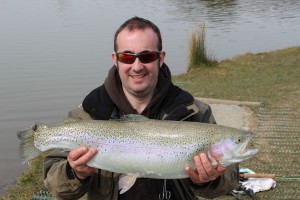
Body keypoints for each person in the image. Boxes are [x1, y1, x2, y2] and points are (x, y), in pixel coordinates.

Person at [43, 16, 239, 200]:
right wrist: (75, 172)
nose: (137, 66)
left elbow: (231, 176)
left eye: (146, 56)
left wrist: (210, 180)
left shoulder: (194, 112)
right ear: (115, 60)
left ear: (160, 59)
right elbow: (55, 184)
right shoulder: (88, 114)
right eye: (127, 57)